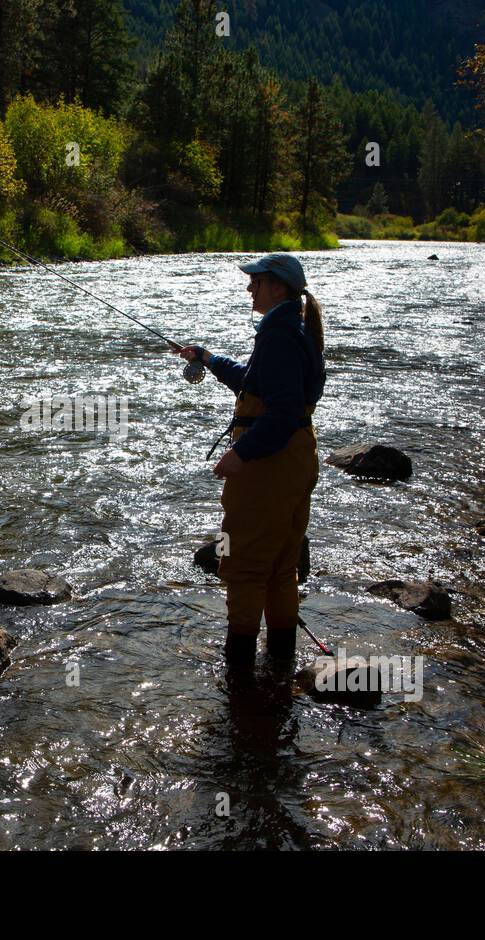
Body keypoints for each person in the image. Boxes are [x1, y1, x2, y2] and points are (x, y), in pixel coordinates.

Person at [177, 253, 326, 667]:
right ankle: (280, 667)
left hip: (270, 467)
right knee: (281, 565)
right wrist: (207, 358)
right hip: (296, 458)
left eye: (255, 282)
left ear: (277, 287)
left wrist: (241, 453)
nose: (249, 288)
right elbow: (254, 381)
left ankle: (239, 674)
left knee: (243, 563)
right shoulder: (291, 329)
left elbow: (279, 411)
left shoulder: (279, 336)